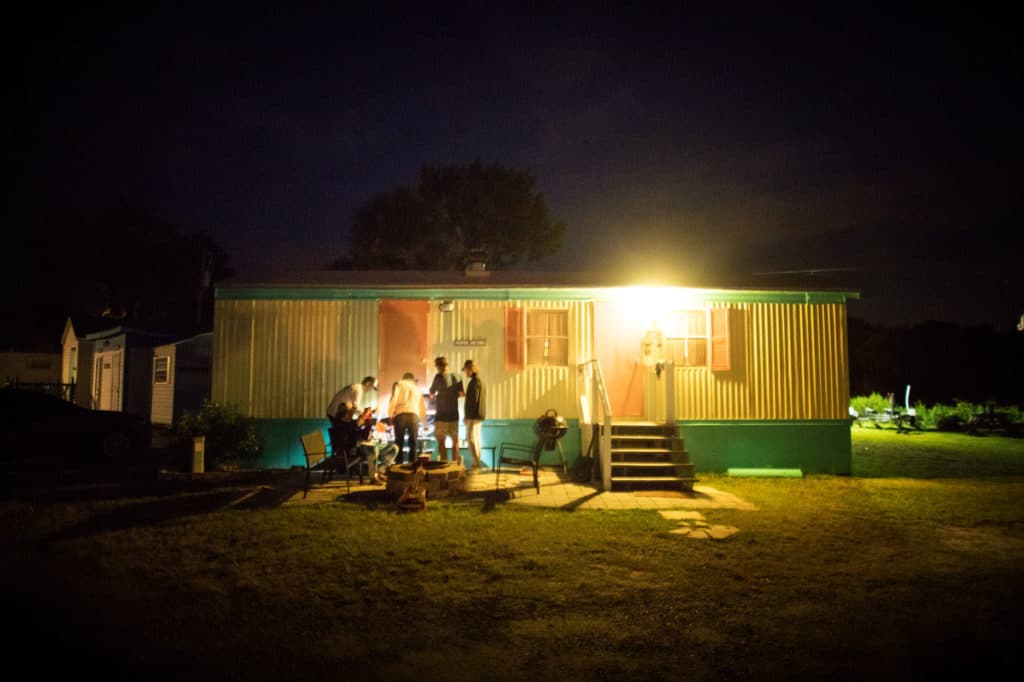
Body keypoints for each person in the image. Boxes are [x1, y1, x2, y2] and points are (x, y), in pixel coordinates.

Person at [326, 376, 377, 481]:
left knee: (343, 438)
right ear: (368, 383)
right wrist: (365, 414)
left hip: (336, 414)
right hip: (337, 415)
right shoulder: (358, 389)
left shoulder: (354, 389)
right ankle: (343, 466)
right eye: (372, 387)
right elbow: (356, 406)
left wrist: (363, 416)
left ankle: (343, 466)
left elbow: (354, 409)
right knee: (342, 440)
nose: (371, 390)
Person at [429, 356, 463, 463]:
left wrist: (437, 396)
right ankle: (454, 464)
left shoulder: (438, 377)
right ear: (447, 365)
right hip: (453, 415)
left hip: (441, 416)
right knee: (455, 441)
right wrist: (452, 395)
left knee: (441, 442)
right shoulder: (457, 377)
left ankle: (443, 463)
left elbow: (431, 394)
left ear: (438, 367)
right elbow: (462, 394)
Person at [389, 372, 426, 467]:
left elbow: (394, 399)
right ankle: (412, 464)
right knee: (413, 441)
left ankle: (399, 464)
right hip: (413, 415)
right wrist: (425, 423)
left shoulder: (399, 385)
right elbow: (422, 406)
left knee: (399, 442)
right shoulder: (417, 389)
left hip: (400, 415)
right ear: (412, 379)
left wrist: (390, 415)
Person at [462, 359, 485, 471]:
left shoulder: (474, 383)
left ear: (470, 369)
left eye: (466, 370)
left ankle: (476, 462)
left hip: (473, 415)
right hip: (479, 415)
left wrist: (467, 416)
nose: (465, 372)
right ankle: (477, 461)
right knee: (476, 438)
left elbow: (472, 401)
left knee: (470, 438)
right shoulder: (479, 382)